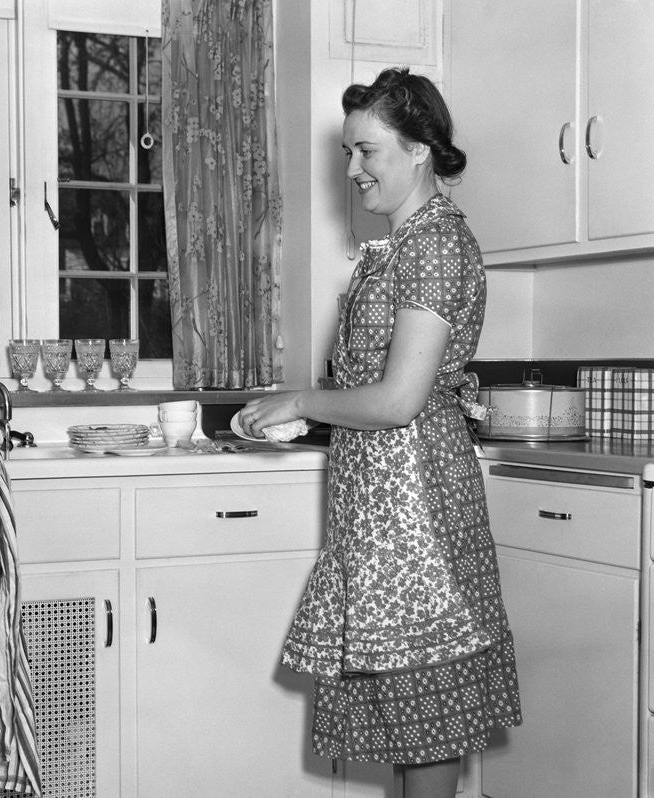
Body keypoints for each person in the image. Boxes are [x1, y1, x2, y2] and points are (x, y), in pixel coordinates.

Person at [238, 68, 521, 798]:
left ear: (421, 148)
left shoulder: (433, 246)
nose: (353, 169)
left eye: (368, 151)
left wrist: (301, 397)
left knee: (427, 709)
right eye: (347, 153)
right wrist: (300, 411)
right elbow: (383, 389)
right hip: (383, 501)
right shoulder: (400, 246)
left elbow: (398, 401)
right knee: (404, 709)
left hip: (413, 504)